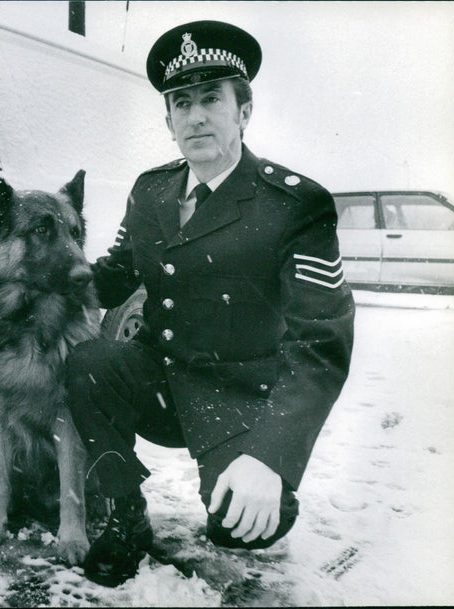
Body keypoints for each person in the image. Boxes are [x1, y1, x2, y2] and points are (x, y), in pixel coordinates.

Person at [65, 20, 355, 587]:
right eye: (181, 103)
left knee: (242, 527)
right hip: (158, 380)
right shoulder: (150, 191)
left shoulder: (294, 204)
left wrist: (272, 458)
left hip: (235, 394)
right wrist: (36, 287)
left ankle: (251, 481)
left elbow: (320, 344)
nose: (195, 116)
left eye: (211, 99)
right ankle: (126, 516)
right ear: (167, 119)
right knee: (90, 364)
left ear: (243, 111)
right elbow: (116, 276)